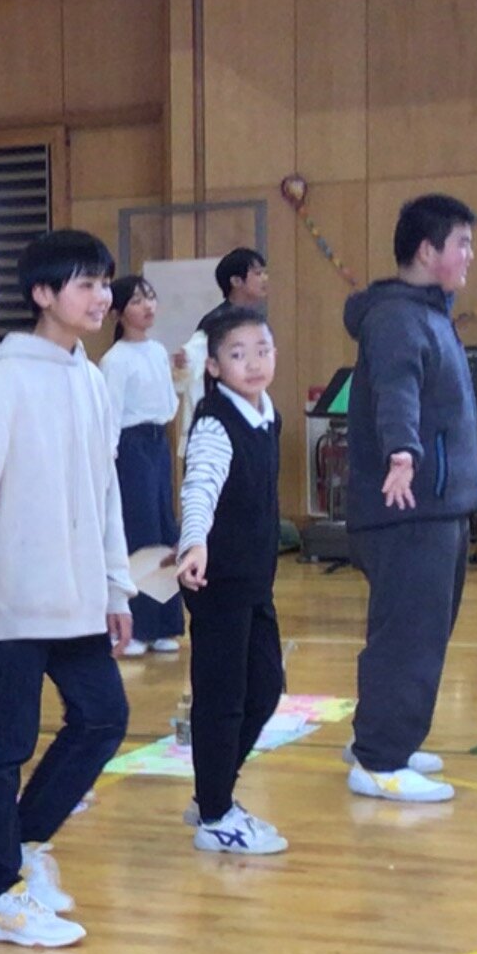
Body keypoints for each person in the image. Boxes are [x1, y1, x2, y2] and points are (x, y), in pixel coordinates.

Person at [0, 229, 130, 950]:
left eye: (103, 283)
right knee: (5, 745)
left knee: (103, 718)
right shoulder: (7, 377)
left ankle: (25, 842)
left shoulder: (91, 381)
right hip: (15, 595)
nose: (100, 297)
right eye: (84, 283)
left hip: (75, 598)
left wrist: (116, 587)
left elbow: (105, 494)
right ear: (43, 294)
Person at [340, 194, 477, 803]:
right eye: (462, 244)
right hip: (409, 507)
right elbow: (396, 389)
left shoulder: (428, 313)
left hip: (437, 506)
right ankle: (379, 760)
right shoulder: (398, 318)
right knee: (408, 638)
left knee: (420, 632)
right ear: (428, 251)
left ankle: (383, 738)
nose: (470, 256)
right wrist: (403, 451)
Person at [172, 303, 290, 857]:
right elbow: (200, 486)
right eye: (239, 354)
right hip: (216, 583)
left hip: (254, 581)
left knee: (264, 688)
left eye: (262, 350)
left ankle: (212, 792)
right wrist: (194, 542)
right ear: (214, 367)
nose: (254, 363)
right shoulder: (216, 424)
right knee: (222, 699)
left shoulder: (266, 414)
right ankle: (216, 815)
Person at [102, 274, 184, 657]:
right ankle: (134, 627)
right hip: (130, 446)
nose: (147, 306)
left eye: (150, 298)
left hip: (157, 442)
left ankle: (163, 625)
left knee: (165, 529)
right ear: (117, 313)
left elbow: (168, 404)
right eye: (136, 300)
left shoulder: (156, 351)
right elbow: (110, 416)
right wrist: (109, 461)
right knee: (139, 530)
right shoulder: (114, 360)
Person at [179, 248, 268, 433]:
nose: (264, 279)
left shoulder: (255, 321)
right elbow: (189, 360)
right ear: (236, 281)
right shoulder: (217, 323)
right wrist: (183, 361)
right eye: (258, 273)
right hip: (221, 418)